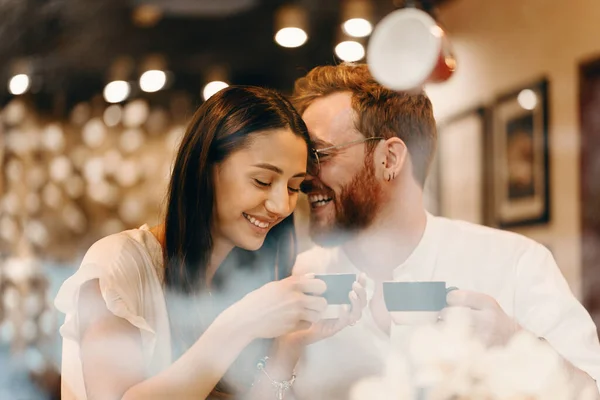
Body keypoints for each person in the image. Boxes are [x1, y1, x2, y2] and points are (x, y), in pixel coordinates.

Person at [280, 63, 600, 399]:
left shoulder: (515, 265)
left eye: (319, 154)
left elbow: (592, 389)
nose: (303, 176)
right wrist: (283, 357)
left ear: (389, 158)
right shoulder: (298, 281)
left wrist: (517, 342)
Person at [54, 85, 367, 400]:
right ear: (205, 168)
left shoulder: (237, 282)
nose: (281, 206)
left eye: (293, 187)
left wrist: (289, 345)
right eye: (262, 181)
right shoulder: (118, 263)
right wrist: (241, 323)